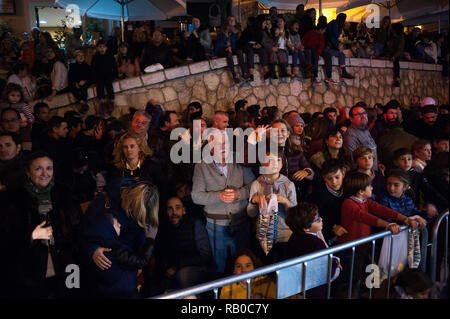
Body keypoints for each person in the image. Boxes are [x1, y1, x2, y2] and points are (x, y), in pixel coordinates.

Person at [3, 152, 81, 298]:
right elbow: (5, 238)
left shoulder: (65, 193)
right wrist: (31, 235)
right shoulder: (13, 199)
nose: (45, 173)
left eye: (49, 168)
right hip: (30, 270)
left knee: (71, 294)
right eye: (38, 168)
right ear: (28, 172)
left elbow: (77, 229)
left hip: (68, 265)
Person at [81, 180, 159, 298]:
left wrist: (139, 264)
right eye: (134, 212)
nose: (135, 217)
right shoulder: (103, 202)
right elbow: (83, 235)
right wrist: (93, 250)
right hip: (106, 271)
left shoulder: (145, 202)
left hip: (130, 266)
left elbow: (141, 234)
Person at [191, 132, 255, 274]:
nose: (223, 147)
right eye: (218, 144)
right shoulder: (201, 166)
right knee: (219, 266)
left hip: (241, 223)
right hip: (215, 226)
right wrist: (218, 196)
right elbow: (196, 196)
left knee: (243, 265)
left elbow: (254, 186)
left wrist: (238, 194)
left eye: (225, 143)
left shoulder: (240, 162)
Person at [339, 171, 417, 245]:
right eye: (369, 186)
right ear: (361, 192)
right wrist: (388, 225)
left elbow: (382, 210)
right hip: (350, 246)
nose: (372, 188)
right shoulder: (348, 203)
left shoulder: (366, 201)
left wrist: (404, 218)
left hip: (363, 244)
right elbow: (366, 217)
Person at [154, 197, 212, 292]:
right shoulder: (164, 228)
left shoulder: (195, 224)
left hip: (197, 267)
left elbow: (205, 255)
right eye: (170, 209)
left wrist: (177, 267)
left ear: (184, 211)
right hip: (174, 268)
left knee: (183, 275)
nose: (174, 213)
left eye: (177, 208)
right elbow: (162, 254)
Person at [285, 202, 341, 299]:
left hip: (299, 289)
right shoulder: (317, 243)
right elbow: (327, 273)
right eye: (317, 220)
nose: (321, 219)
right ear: (306, 228)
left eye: (319, 216)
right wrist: (335, 263)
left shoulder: (293, 237)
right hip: (315, 291)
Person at [247, 152, 297, 252]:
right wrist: (253, 201)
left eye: (278, 160)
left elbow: (295, 216)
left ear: (282, 164)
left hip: (285, 234)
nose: (275, 163)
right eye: (270, 160)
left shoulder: (288, 185)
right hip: (263, 234)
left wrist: (286, 202)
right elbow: (251, 214)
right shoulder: (256, 184)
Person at [392, 148, 448, 215]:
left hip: (414, 210)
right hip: (396, 210)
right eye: (402, 159)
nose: (406, 162)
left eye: (409, 159)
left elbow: (430, 191)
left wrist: (443, 204)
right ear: (395, 162)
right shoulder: (392, 176)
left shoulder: (417, 175)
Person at [308, 159, 347, 245]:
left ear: (343, 174)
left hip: (346, 232)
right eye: (329, 178)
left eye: (337, 177)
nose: (334, 182)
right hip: (327, 237)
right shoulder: (318, 194)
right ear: (324, 178)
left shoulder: (349, 188)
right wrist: (333, 227)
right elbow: (314, 216)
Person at [343, 103, 379, 170]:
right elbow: (352, 161)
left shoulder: (364, 129)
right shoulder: (350, 135)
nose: (363, 116)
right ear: (351, 119)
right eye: (358, 114)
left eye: (364, 113)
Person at [322, 13, 354, 85]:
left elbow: (335, 38)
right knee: (341, 54)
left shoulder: (336, 24)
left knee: (342, 54)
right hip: (327, 47)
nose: (344, 21)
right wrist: (337, 46)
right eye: (343, 20)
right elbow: (332, 37)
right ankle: (342, 72)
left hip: (331, 46)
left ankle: (343, 72)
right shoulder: (334, 24)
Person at [216, 16, 249, 84]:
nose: (231, 21)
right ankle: (234, 75)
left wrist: (236, 35)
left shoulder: (237, 31)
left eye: (233, 20)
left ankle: (244, 73)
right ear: (227, 22)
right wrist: (226, 46)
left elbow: (239, 44)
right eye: (230, 20)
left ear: (235, 22)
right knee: (229, 54)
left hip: (233, 48)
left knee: (239, 51)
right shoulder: (223, 31)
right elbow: (219, 44)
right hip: (223, 49)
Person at [302, 19, 327, 85]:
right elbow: (303, 41)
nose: (325, 31)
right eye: (324, 30)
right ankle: (314, 75)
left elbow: (321, 45)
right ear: (320, 29)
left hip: (315, 51)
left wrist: (319, 53)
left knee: (316, 55)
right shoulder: (311, 33)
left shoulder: (321, 36)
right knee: (312, 53)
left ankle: (314, 75)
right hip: (307, 48)